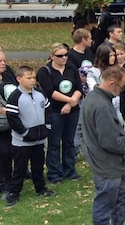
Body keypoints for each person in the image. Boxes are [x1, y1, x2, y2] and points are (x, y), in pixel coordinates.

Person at [80, 65, 125, 224]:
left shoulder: (92, 98)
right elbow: (111, 143)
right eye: (122, 86)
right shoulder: (102, 106)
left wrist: (87, 150)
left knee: (120, 199)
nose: (122, 90)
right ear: (112, 83)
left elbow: (81, 130)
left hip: (106, 162)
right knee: (104, 206)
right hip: (107, 165)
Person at [6, 65, 56, 207]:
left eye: (33, 78)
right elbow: (12, 118)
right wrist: (25, 133)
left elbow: (47, 109)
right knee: (20, 168)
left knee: (38, 166)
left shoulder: (40, 93)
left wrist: (47, 126)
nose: (32, 81)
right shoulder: (15, 96)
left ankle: (40, 188)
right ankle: (14, 192)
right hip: (22, 142)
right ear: (19, 79)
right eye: (29, 78)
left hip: (39, 140)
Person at [37, 43, 83, 184]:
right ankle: (54, 173)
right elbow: (50, 91)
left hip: (72, 110)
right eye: (60, 56)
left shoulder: (71, 68)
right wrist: (69, 101)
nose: (64, 58)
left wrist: (71, 104)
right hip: (54, 111)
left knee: (69, 141)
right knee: (54, 143)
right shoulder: (45, 71)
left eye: (65, 55)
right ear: (52, 56)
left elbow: (79, 87)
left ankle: (69, 170)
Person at [86, 43, 122, 119]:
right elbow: (93, 89)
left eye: (114, 55)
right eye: (110, 56)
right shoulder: (92, 72)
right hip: (102, 106)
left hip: (118, 106)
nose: (113, 58)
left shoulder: (117, 70)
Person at [0, 51, 16, 202]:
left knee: (7, 152)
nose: (3, 63)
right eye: (0, 61)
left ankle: (7, 183)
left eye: (4, 60)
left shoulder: (8, 75)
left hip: (7, 124)